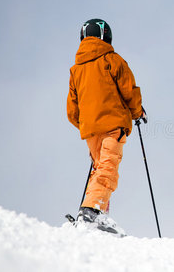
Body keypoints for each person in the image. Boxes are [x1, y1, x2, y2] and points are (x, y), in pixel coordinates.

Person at [67, 18, 146, 235]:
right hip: (113, 125)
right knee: (108, 168)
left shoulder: (76, 70)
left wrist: (88, 124)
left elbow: (72, 111)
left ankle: (96, 211)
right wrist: (138, 113)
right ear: (105, 36)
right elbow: (129, 89)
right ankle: (92, 211)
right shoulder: (112, 60)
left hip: (91, 130)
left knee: (99, 168)